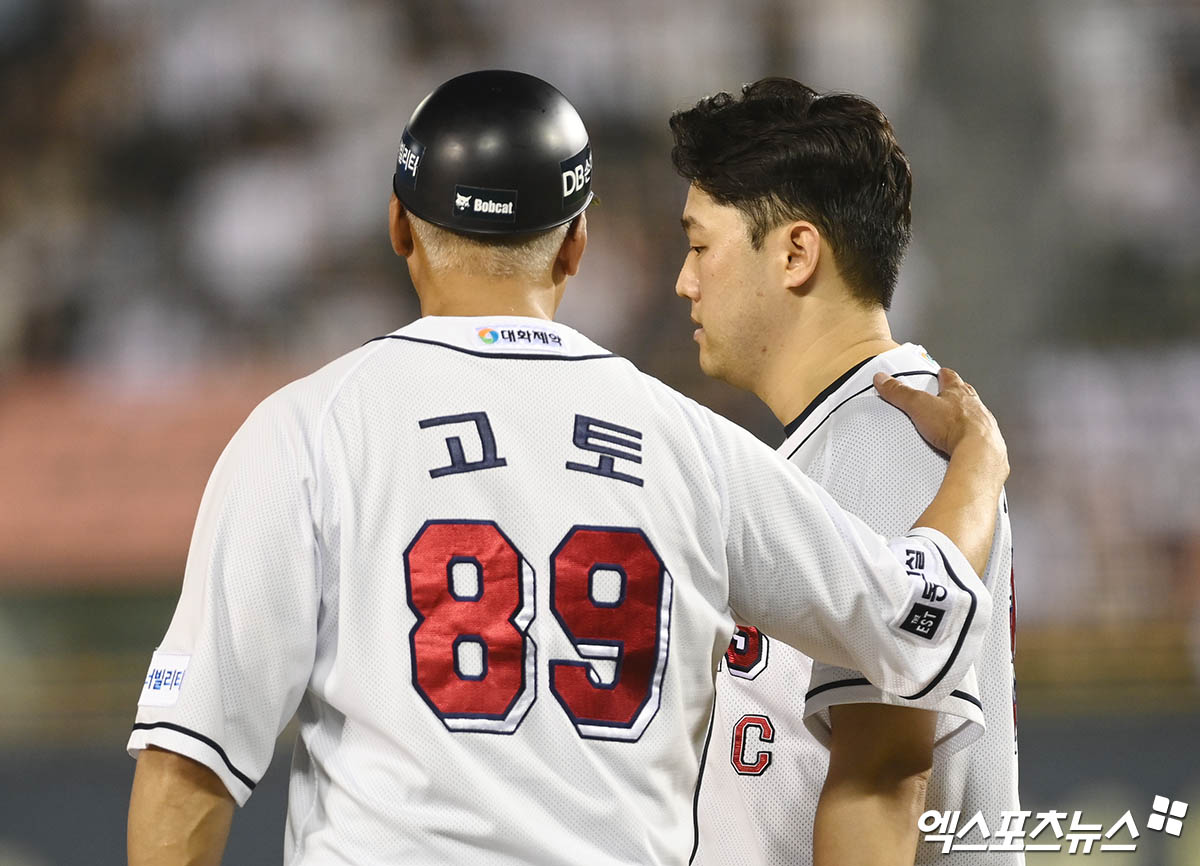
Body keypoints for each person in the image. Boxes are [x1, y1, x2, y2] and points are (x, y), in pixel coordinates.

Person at [126, 70, 1008, 866]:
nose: (686, 280)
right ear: (576, 243)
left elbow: (187, 763)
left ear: (399, 223)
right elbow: (916, 618)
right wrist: (977, 463)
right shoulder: (688, 444)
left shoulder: (308, 430)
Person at [672, 78, 1020, 866]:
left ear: (795, 253)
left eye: (699, 246)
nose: (685, 281)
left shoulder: (887, 435)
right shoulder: (848, 434)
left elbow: (886, 780)